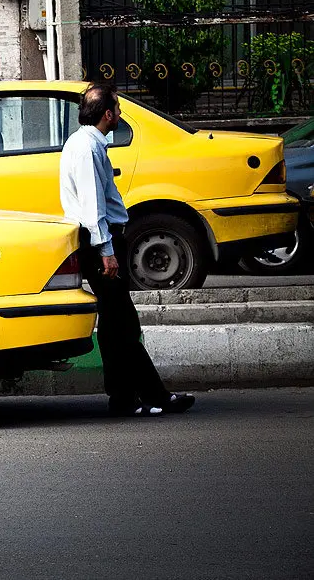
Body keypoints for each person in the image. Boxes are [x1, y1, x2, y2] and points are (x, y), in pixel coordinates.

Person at [60, 83, 195, 417]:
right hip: (101, 244)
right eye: (118, 109)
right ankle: (153, 396)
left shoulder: (85, 142)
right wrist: (107, 251)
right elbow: (93, 207)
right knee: (123, 324)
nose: (119, 114)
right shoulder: (88, 148)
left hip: (100, 242)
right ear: (107, 114)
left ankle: (123, 397)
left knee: (114, 324)